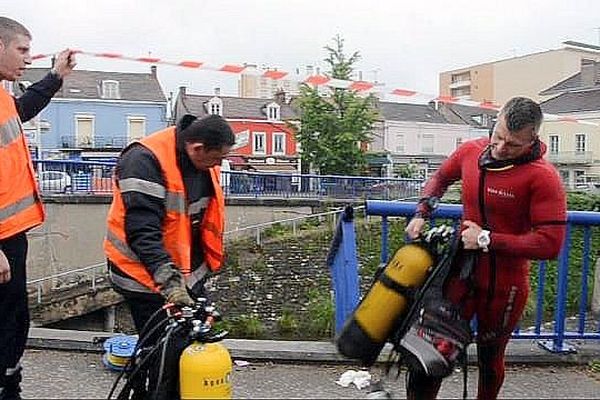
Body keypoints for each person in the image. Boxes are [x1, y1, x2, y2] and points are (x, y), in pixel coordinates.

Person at [404, 97, 567, 400]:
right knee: (429, 356)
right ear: (496, 122)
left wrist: (486, 239)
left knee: (490, 360)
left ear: (533, 139)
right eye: (498, 136)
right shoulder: (471, 152)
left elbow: (550, 244)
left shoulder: (543, 177)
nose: (501, 148)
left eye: (514, 144)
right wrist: (422, 211)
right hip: (460, 276)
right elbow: (440, 177)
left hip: (505, 288)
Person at [103, 114, 235, 399]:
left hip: (183, 273)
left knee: (185, 345)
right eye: (217, 158)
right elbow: (142, 231)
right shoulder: (143, 160)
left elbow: (194, 222)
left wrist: (193, 279)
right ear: (197, 148)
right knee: (161, 353)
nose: (219, 165)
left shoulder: (201, 160)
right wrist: (169, 281)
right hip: (141, 273)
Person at [0, 17, 76, 400]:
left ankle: (9, 384)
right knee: (8, 321)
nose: (28, 59)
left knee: (14, 320)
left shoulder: (1, 97)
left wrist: (56, 75)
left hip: (12, 233)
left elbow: (22, 109)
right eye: (22, 50)